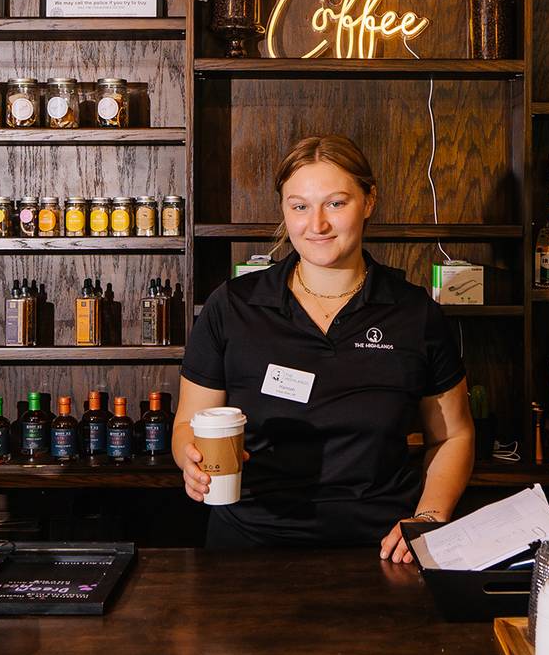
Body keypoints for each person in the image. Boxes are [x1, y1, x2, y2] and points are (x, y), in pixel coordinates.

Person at [173, 135, 474, 561]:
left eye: (335, 203)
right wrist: (190, 459)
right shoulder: (234, 306)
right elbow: (187, 423)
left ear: (369, 201)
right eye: (299, 206)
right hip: (250, 545)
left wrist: (428, 518)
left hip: (383, 549)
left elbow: (453, 435)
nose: (317, 225)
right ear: (283, 209)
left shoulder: (414, 312)